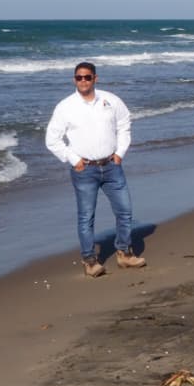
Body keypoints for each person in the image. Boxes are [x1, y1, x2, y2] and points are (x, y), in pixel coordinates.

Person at [45, 62, 145, 277]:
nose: (83, 81)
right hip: (85, 170)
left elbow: (124, 124)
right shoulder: (66, 106)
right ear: (74, 79)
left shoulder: (110, 100)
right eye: (79, 77)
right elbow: (52, 140)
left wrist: (120, 153)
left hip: (111, 166)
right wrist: (74, 160)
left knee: (124, 211)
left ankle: (125, 253)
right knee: (86, 217)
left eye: (87, 77)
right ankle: (90, 260)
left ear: (95, 78)